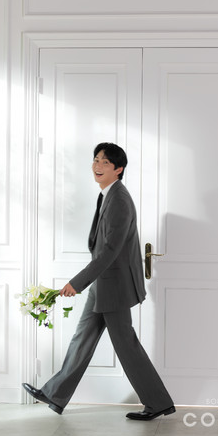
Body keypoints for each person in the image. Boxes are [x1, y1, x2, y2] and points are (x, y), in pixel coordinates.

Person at [23, 142, 175, 420]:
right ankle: (55, 393)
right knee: (82, 338)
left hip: (114, 286)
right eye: (96, 160)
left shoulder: (119, 200)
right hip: (104, 283)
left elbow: (110, 251)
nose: (98, 166)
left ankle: (158, 403)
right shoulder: (108, 195)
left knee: (126, 346)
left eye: (105, 162)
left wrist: (77, 282)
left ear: (119, 169)